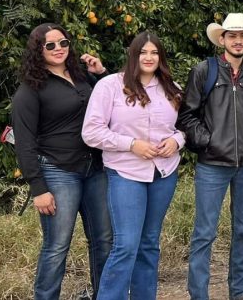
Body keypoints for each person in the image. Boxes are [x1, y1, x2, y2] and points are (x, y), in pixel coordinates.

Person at [11, 23, 112, 300]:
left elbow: (113, 102)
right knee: (57, 246)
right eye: (50, 45)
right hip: (58, 171)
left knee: (104, 240)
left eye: (63, 43)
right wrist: (38, 189)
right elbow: (24, 142)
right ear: (38, 50)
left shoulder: (82, 76)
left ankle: (104, 295)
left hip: (95, 168)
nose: (58, 49)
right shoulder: (31, 89)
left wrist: (101, 74)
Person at [82, 31, 185, 300]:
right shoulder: (110, 86)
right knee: (126, 244)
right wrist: (131, 144)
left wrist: (177, 141)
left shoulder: (172, 88)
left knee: (149, 243)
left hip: (164, 172)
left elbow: (184, 127)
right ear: (133, 55)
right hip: (126, 172)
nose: (149, 57)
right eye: (143, 52)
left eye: (154, 53)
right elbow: (91, 132)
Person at [178, 13, 243, 300]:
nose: (238, 40)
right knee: (204, 233)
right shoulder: (203, 71)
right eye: (232, 35)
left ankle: (240, 290)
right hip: (212, 166)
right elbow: (187, 115)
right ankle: (199, 295)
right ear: (222, 39)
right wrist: (207, 142)